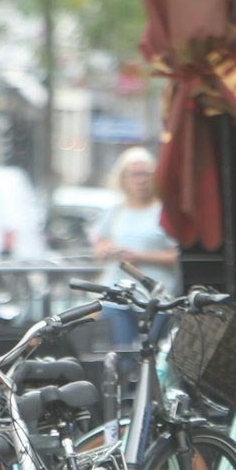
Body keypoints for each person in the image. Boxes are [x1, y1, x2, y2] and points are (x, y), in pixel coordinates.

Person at [91, 146, 179, 363]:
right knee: (122, 357)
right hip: (119, 295)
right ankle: (126, 396)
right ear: (123, 179)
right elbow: (98, 245)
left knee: (152, 357)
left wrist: (139, 256)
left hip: (154, 297)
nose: (140, 180)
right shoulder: (115, 211)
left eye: (145, 174)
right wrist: (106, 250)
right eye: (134, 174)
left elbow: (176, 255)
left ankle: (148, 396)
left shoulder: (164, 211)